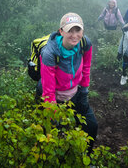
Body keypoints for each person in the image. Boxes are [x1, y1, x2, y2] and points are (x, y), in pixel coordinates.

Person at [37, 12, 98, 153]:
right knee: (51, 133)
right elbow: (48, 91)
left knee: (91, 126)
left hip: (75, 93)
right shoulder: (49, 53)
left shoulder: (84, 43)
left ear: (83, 31)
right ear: (61, 32)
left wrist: (83, 91)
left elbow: (86, 68)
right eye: (70, 30)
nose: (74, 35)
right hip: (53, 96)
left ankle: (85, 158)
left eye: (78, 30)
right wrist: (53, 115)